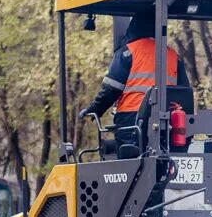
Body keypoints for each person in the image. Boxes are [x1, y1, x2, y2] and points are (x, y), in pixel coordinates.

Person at [78, 10, 190, 145]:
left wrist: (95, 109)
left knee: (130, 161)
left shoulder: (127, 52)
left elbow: (111, 90)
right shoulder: (173, 56)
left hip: (131, 119)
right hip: (167, 121)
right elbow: (184, 93)